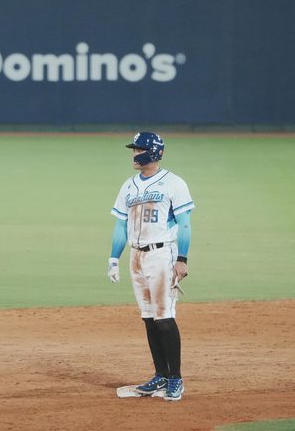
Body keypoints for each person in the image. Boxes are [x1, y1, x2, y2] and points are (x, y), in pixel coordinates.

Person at [108, 132, 194, 402]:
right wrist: (113, 258)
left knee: (164, 318)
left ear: (153, 152)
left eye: (138, 150)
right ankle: (160, 375)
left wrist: (182, 259)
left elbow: (185, 224)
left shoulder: (174, 183)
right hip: (136, 257)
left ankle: (175, 379)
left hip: (162, 255)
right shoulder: (128, 186)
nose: (134, 154)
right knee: (148, 318)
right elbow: (121, 225)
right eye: (134, 150)